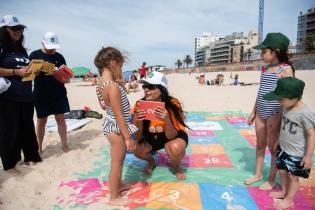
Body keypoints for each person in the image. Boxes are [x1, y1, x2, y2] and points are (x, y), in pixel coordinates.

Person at [245, 33, 295, 190]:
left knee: (273, 148)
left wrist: (283, 118)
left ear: (276, 51)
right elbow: (261, 90)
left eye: (264, 52)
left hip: (275, 113)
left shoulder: (286, 70)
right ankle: (258, 174)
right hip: (260, 110)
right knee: (260, 144)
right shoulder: (265, 68)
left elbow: (288, 97)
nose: (262, 55)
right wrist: (254, 110)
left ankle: (272, 179)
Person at [95, 47, 138, 205]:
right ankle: (114, 197)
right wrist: (128, 138)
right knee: (117, 163)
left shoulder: (102, 83)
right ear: (113, 63)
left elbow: (105, 105)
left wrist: (119, 85)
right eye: (120, 66)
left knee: (118, 161)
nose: (121, 70)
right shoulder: (112, 86)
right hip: (117, 129)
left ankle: (118, 185)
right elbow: (119, 114)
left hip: (111, 125)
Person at [263, 77, 315, 209]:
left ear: (295, 98)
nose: (279, 102)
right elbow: (283, 127)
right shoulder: (286, 107)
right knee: (281, 171)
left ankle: (290, 199)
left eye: (281, 100)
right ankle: (284, 192)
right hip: (283, 148)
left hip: (296, 153)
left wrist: (308, 156)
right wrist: (277, 142)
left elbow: (311, 134)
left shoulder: (305, 113)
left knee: (293, 177)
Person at [0, 15, 41, 170]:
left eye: (20, 28)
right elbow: (15, 71)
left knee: (27, 129)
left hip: (26, 95)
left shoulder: (21, 50)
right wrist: (16, 72)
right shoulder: (2, 47)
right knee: (10, 130)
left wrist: (33, 72)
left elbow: (25, 70)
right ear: (5, 30)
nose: (19, 31)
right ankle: (11, 164)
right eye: (15, 28)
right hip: (8, 96)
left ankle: (32, 157)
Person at [133, 71, 189, 180]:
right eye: (144, 86)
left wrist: (167, 119)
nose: (146, 89)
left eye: (151, 86)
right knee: (136, 149)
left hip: (172, 135)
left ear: (162, 89)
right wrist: (139, 121)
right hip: (151, 137)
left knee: (175, 149)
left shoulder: (173, 104)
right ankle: (151, 162)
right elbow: (138, 137)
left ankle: (176, 166)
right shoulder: (139, 104)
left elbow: (172, 136)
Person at [29, 32, 70, 153]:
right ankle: (39, 146)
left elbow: (66, 77)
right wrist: (35, 71)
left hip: (59, 93)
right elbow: (28, 76)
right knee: (42, 120)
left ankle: (65, 145)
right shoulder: (34, 55)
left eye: (54, 47)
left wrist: (65, 78)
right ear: (43, 43)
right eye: (50, 47)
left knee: (60, 118)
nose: (53, 50)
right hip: (41, 94)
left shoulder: (60, 57)